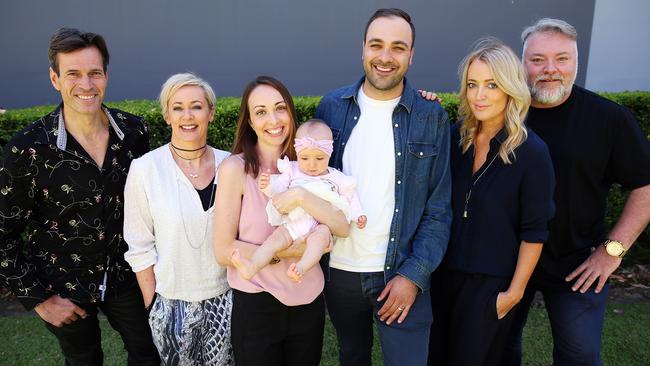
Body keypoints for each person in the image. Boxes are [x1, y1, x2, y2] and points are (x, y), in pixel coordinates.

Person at [0, 28, 159, 365]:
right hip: (63, 285)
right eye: (73, 74)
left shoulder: (134, 133)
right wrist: (38, 299)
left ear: (106, 76)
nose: (86, 85)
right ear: (55, 78)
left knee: (151, 352)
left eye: (94, 73)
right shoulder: (28, 148)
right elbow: (2, 233)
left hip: (127, 275)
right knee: (84, 359)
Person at [504, 18, 650, 366]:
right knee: (496, 352)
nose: (550, 69)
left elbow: (645, 187)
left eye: (562, 59)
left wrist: (612, 252)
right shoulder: (502, 112)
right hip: (505, 261)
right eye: (537, 59)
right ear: (522, 63)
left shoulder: (608, 118)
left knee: (580, 356)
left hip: (577, 265)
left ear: (576, 63)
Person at [314, 8, 452, 366]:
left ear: (411, 55)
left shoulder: (430, 115)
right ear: (363, 49)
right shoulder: (331, 107)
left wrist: (414, 275)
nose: (386, 57)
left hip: (401, 272)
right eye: (377, 45)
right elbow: (313, 180)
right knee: (352, 356)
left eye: (398, 47)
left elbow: (438, 209)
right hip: (340, 272)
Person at [428, 38, 555, 366]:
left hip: (490, 286)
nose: (479, 95)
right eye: (472, 85)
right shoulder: (455, 138)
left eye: (491, 85)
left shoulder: (532, 153)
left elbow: (535, 232)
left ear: (510, 89)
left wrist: (513, 294)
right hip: (442, 278)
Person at [213, 76, 350, 366]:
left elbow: (341, 227)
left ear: (290, 112)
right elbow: (223, 250)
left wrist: (301, 195)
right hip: (256, 301)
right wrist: (293, 251)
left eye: (279, 108)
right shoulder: (234, 169)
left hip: (307, 298)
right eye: (261, 112)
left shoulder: (312, 165)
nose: (273, 119)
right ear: (249, 121)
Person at [123, 73, 233, 365]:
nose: (188, 115)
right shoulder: (145, 169)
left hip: (229, 300)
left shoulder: (233, 164)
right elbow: (139, 245)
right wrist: (153, 305)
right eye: (177, 107)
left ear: (211, 113)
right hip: (170, 304)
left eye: (196, 106)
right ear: (167, 116)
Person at [231, 119, 366, 282]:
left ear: (329, 154)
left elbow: (351, 196)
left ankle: (301, 267)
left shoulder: (336, 177)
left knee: (319, 240)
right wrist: (267, 185)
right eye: (305, 158)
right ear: (298, 154)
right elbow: (279, 189)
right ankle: (252, 266)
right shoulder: (292, 170)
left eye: (319, 158)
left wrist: (358, 215)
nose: (312, 165)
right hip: (292, 223)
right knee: (273, 241)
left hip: (319, 225)